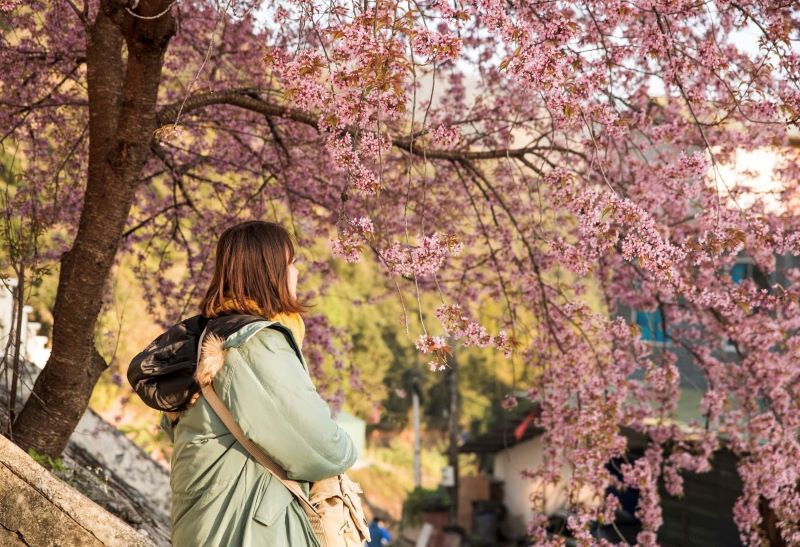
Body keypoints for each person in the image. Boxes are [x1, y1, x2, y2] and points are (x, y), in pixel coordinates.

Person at [127, 220, 357, 546]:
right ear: (270, 272)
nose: (296, 273)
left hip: (210, 526)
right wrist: (349, 449)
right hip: (247, 531)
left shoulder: (205, 339)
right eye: (291, 264)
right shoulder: (254, 345)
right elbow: (321, 446)